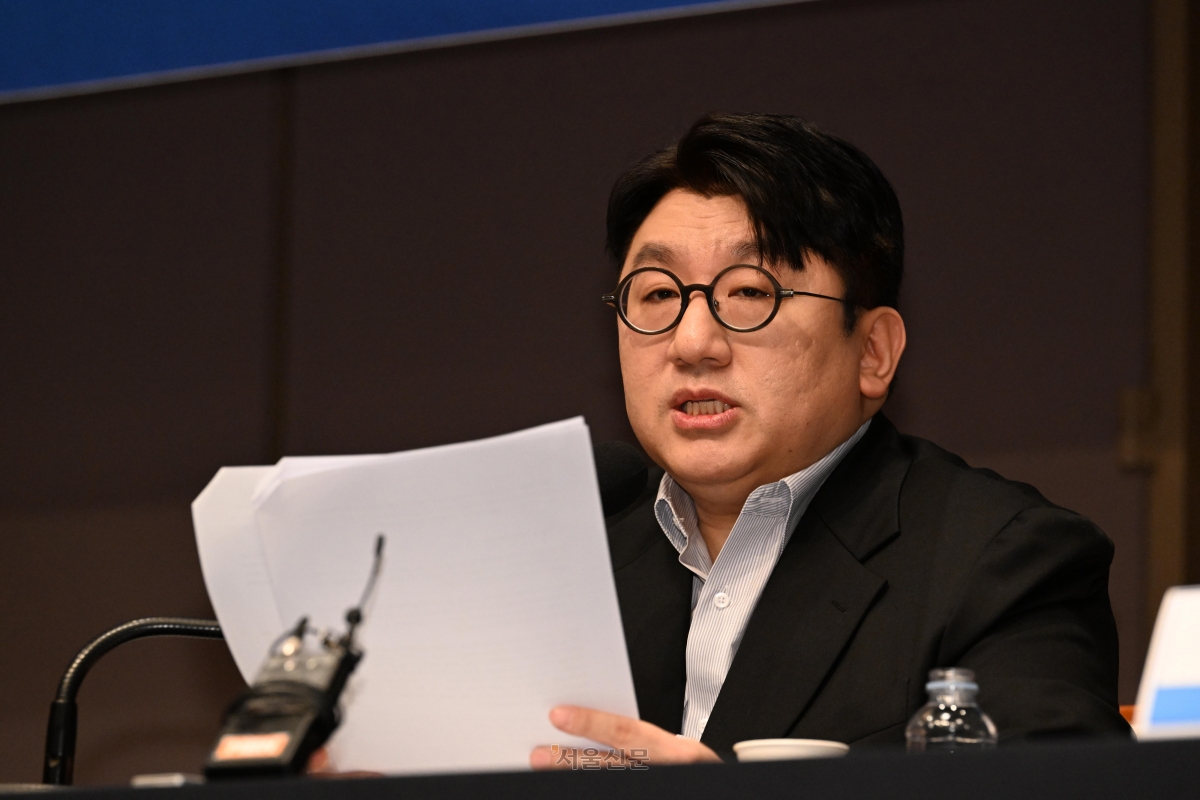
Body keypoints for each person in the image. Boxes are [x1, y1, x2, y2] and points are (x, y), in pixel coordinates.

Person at [529, 112, 1129, 768]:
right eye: (656, 295)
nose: (692, 342)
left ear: (873, 352)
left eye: (749, 290)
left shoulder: (1008, 567)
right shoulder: (561, 557)